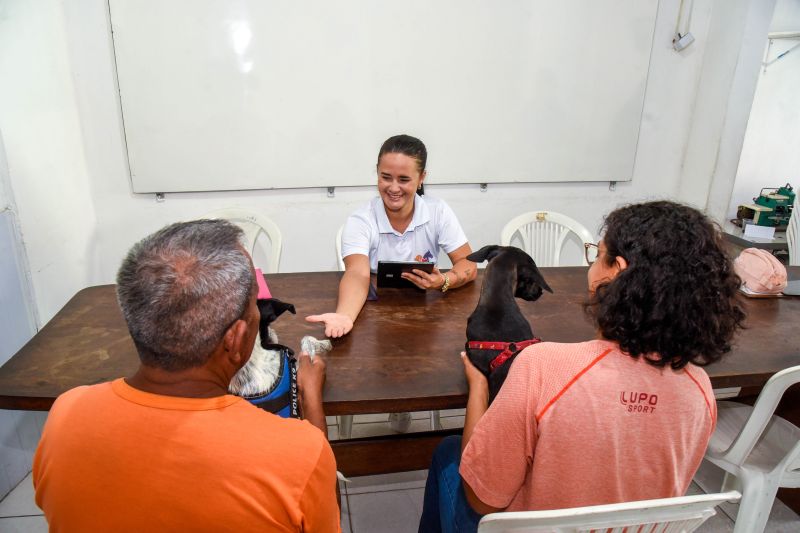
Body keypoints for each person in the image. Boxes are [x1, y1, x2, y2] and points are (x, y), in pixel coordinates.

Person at [418, 201, 746, 532]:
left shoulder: (542, 366)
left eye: (596, 254)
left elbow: (481, 499)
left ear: (616, 271)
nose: (590, 265)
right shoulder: (698, 386)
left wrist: (478, 388)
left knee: (448, 452)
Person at [33, 220, 340, 532]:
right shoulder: (296, 453)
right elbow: (323, 509)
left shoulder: (66, 415)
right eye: (253, 306)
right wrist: (310, 397)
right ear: (234, 339)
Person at [306, 134, 477, 431]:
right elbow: (358, 273)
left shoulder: (437, 211)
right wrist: (345, 315)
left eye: (404, 179)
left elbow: (468, 264)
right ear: (376, 174)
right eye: (385, 177)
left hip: (425, 322)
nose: (393, 188)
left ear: (422, 178)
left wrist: (443, 281)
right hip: (373, 321)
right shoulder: (362, 219)